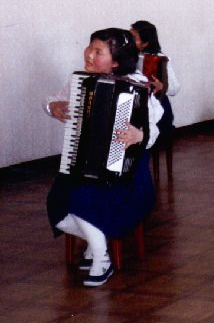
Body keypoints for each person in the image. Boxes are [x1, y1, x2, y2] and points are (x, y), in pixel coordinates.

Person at [45, 28, 164, 287]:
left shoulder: (136, 84)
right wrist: (51, 107)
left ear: (116, 61)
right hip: (82, 164)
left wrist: (139, 135)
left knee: (81, 197)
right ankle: (96, 238)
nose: (88, 54)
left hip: (127, 175)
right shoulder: (78, 80)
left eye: (98, 51)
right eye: (90, 47)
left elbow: (155, 127)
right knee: (56, 201)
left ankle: (102, 258)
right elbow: (55, 100)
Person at [130, 20, 181, 142]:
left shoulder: (161, 59)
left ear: (145, 43)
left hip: (159, 109)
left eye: (133, 38)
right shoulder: (130, 56)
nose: (129, 41)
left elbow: (175, 88)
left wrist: (162, 86)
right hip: (139, 106)